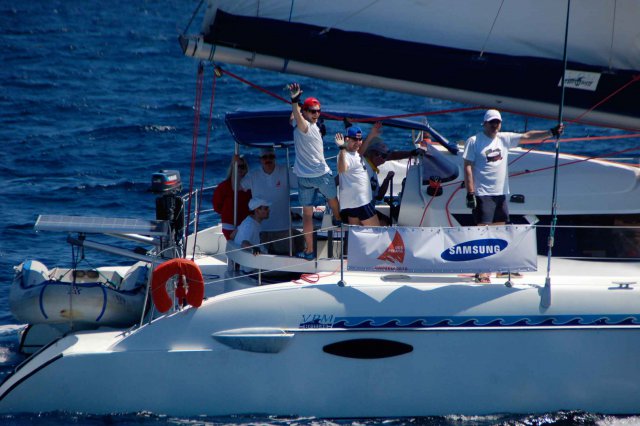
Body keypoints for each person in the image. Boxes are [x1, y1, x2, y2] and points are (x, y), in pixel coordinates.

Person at [463, 109, 564, 283]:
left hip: (501, 194)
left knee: (500, 231)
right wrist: (470, 192)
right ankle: (482, 271)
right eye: (492, 122)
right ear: (484, 123)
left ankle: (499, 268)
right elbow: (467, 166)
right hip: (483, 194)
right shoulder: (474, 141)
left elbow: (527, 136)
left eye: (497, 122)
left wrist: (550, 132)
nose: (495, 125)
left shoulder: (504, 139)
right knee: (483, 232)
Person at [288, 83, 341, 260]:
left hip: (304, 178)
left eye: (318, 111)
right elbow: (297, 116)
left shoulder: (298, 124)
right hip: (321, 175)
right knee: (332, 199)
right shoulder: (307, 127)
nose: (316, 114)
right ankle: (338, 218)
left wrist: (297, 103)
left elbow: (293, 117)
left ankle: (309, 251)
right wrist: (295, 101)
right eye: (312, 111)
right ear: (305, 112)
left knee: (307, 216)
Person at [241, 147, 304, 255]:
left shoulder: (286, 171)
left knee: (287, 261)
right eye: (264, 157)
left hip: (283, 228)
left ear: (275, 158)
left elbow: (302, 183)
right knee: (262, 261)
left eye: (271, 156)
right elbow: (237, 186)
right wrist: (236, 165)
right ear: (260, 159)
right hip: (261, 230)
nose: (268, 159)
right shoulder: (253, 175)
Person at [363, 135, 423, 225]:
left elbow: (379, 196)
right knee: (384, 222)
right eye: (382, 156)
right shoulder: (362, 165)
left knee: (388, 221)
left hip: (368, 208)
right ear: (371, 153)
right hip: (359, 209)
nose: (384, 160)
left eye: (385, 157)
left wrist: (387, 180)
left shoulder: (373, 170)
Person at [335, 126, 380, 226]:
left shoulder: (354, 152)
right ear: (347, 139)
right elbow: (341, 169)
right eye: (355, 140)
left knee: (356, 232)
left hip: (353, 203)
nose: (358, 142)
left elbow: (360, 151)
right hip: (361, 203)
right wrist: (342, 148)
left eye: (360, 139)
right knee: (376, 230)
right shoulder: (344, 155)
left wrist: (371, 134)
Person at [213, 155, 251, 240]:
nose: (240, 169)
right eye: (237, 166)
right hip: (229, 226)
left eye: (242, 167)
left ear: (246, 169)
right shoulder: (223, 187)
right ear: (232, 168)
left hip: (246, 225)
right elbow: (217, 207)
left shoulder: (250, 187)